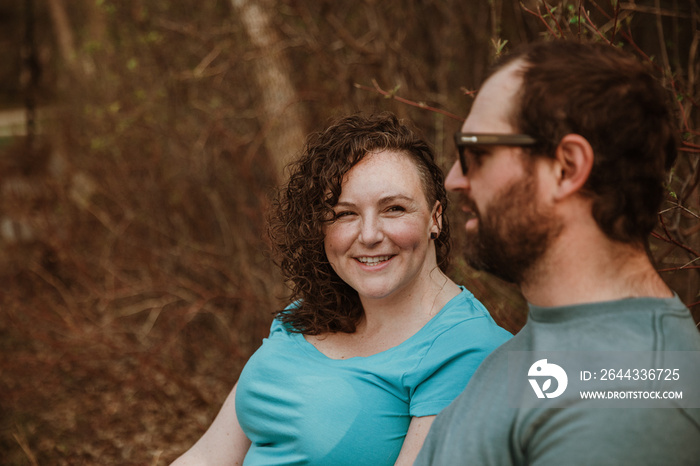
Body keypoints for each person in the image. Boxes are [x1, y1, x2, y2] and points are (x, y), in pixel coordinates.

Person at [415, 40, 700, 465]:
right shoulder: (548, 348)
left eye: (476, 152)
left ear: (566, 167)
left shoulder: (631, 395)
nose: (454, 178)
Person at [171, 113, 511, 465]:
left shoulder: (469, 350)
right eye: (345, 213)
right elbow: (208, 455)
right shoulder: (307, 314)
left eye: (394, 209)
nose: (368, 235)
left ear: (435, 218)